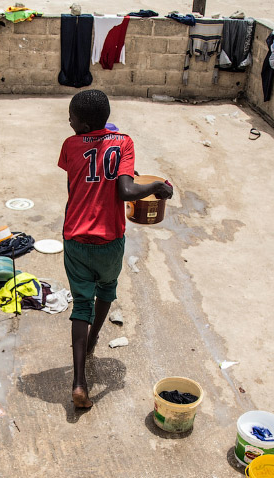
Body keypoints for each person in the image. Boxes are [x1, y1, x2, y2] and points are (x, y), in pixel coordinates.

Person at [58, 90, 173, 409]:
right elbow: (126, 190)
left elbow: (80, 177)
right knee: (106, 288)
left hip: (76, 236)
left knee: (81, 303)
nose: (68, 120)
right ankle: (94, 339)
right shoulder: (123, 142)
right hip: (109, 239)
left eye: (72, 117)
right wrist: (155, 185)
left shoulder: (70, 145)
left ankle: (79, 382)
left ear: (81, 123)